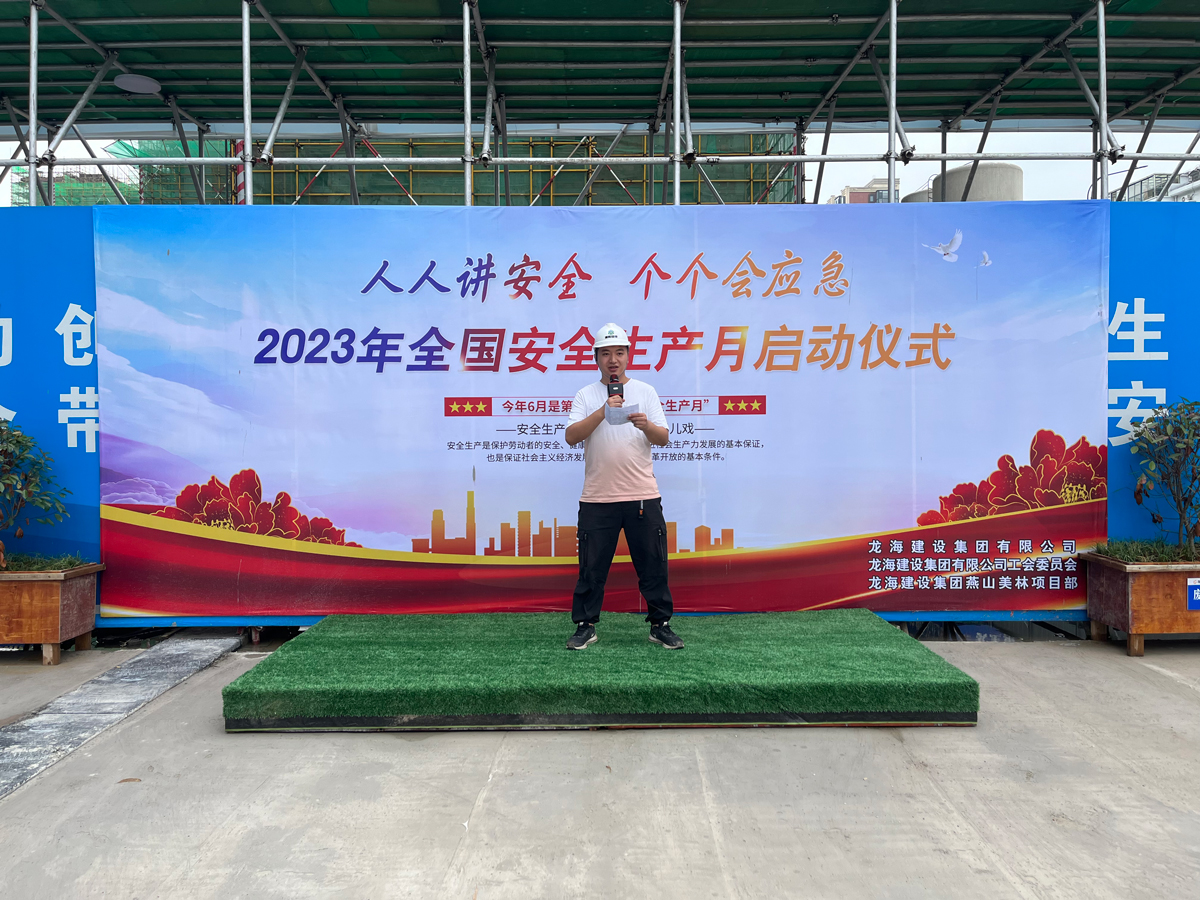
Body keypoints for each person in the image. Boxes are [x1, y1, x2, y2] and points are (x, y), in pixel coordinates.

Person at [563, 323, 683, 651]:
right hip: (597, 497)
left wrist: (646, 425)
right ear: (596, 358)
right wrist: (603, 411)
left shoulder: (645, 391)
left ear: (629, 356)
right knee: (591, 568)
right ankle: (585, 626)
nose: (612, 360)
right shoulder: (586, 395)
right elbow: (571, 436)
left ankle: (660, 625)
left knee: (653, 564)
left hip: (642, 496)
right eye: (605, 353)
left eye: (618, 352)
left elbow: (663, 438)